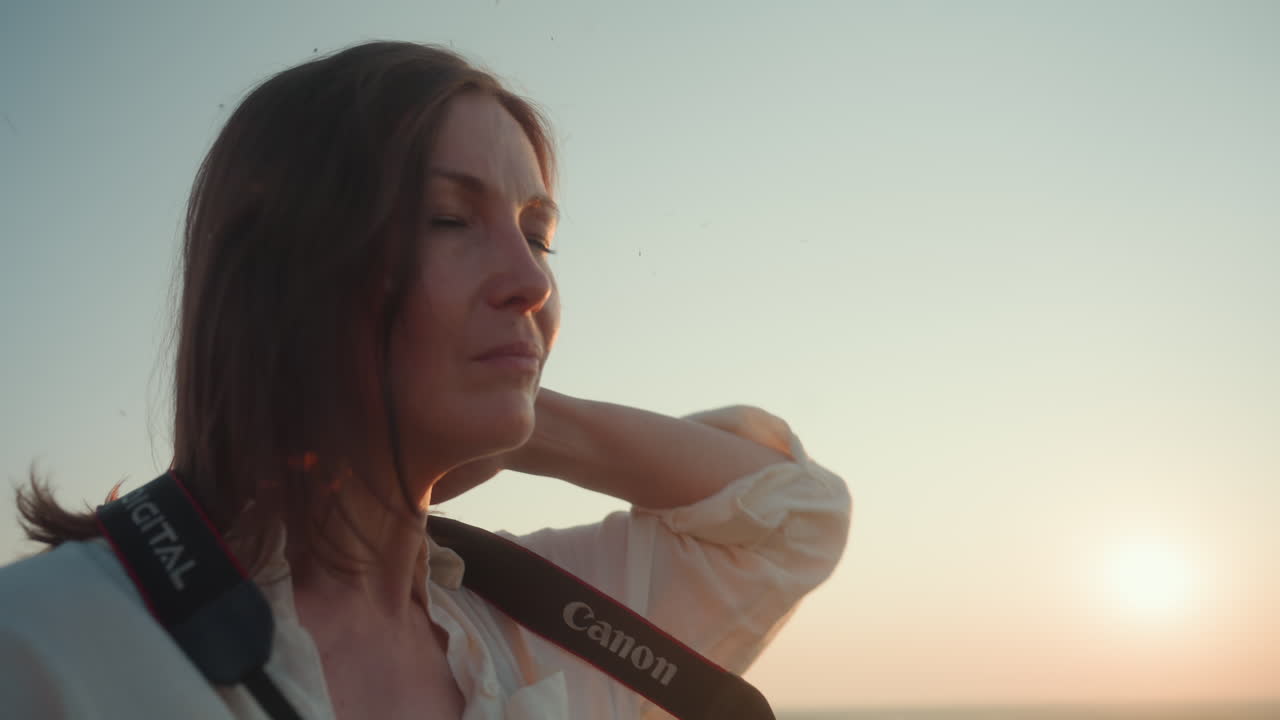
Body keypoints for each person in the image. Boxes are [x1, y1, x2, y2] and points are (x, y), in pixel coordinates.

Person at [0, 41, 851, 719]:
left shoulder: (525, 625)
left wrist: (517, 415)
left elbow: (793, 513)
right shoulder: (47, 642)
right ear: (288, 278)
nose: (533, 280)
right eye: (451, 219)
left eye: (539, 234)